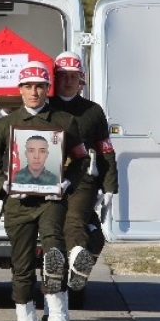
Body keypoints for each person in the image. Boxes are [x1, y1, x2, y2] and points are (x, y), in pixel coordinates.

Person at [0, 61, 88, 321]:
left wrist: (67, 184)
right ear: (20, 90)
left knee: (54, 251)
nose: (34, 92)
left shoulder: (65, 121)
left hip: (52, 201)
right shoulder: (5, 125)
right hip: (18, 203)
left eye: (40, 86)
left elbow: (81, 158)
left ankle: (56, 312)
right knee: (22, 266)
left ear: (47, 88)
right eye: (28, 86)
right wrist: (3, 187)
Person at [49, 52, 118, 296]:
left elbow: (105, 149)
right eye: (62, 76)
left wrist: (110, 187)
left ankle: (78, 261)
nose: (68, 81)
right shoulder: (45, 107)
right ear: (54, 79)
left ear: (82, 80)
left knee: (76, 218)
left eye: (73, 76)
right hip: (47, 177)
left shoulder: (93, 111)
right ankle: (63, 277)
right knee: (55, 230)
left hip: (84, 176)